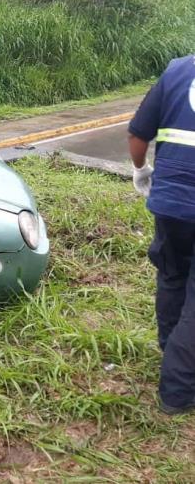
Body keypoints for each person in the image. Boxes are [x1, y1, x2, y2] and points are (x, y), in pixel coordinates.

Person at [129, 55, 195, 416]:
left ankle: (171, 352)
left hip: (170, 204)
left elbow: (138, 134)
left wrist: (141, 171)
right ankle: (177, 391)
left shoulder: (177, 71)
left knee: (171, 276)